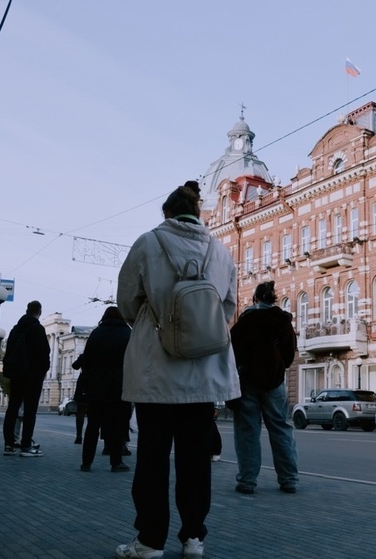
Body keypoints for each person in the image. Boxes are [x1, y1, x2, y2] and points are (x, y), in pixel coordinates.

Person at [116, 181, 239, 559]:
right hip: (204, 374)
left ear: (167, 213)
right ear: (197, 214)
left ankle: (150, 541)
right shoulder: (221, 251)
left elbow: (126, 302)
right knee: (196, 462)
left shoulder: (148, 243)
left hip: (157, 373)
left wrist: (158, 328)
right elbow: (229, 308)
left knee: (152, 459)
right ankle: (194, 538)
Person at [230, 280, 299, 494]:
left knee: (248, 430)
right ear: (273, 299)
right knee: (280, 429)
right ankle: (288, 480)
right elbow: (289, 353)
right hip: (275, 382)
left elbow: (232, 350)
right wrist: (277, 366)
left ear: (254, 299)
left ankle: (247, 481)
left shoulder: (245, 321)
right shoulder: (283, 321)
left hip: (248, 381)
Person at [78, 306, 132, 472]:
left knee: (93, 426)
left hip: (97, 387)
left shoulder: (96, 333)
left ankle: (86, 462)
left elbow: (86, 360)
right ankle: (116, 462)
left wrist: (88, 381)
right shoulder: (127, 333)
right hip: (120, 386)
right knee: (116, 426)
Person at [1, 300, 50, 457]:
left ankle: (9, 444)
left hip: (16, 375)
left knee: (12, 409)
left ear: (27, 310)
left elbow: (8, 352)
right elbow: (44, 353)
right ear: (39, 312)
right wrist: (43, 370)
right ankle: (26, 446)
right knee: (30, 411)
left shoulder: (15, 330)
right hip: (33, 376)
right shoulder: (37, 329)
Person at [72, 355, 89, 444]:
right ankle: (90, 437)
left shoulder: (84, 357)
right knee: (94, 416)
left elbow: (75, 366)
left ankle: (79, 436)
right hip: (96, 387)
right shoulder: (100, 355)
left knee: (80, 414)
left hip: (82, 387)